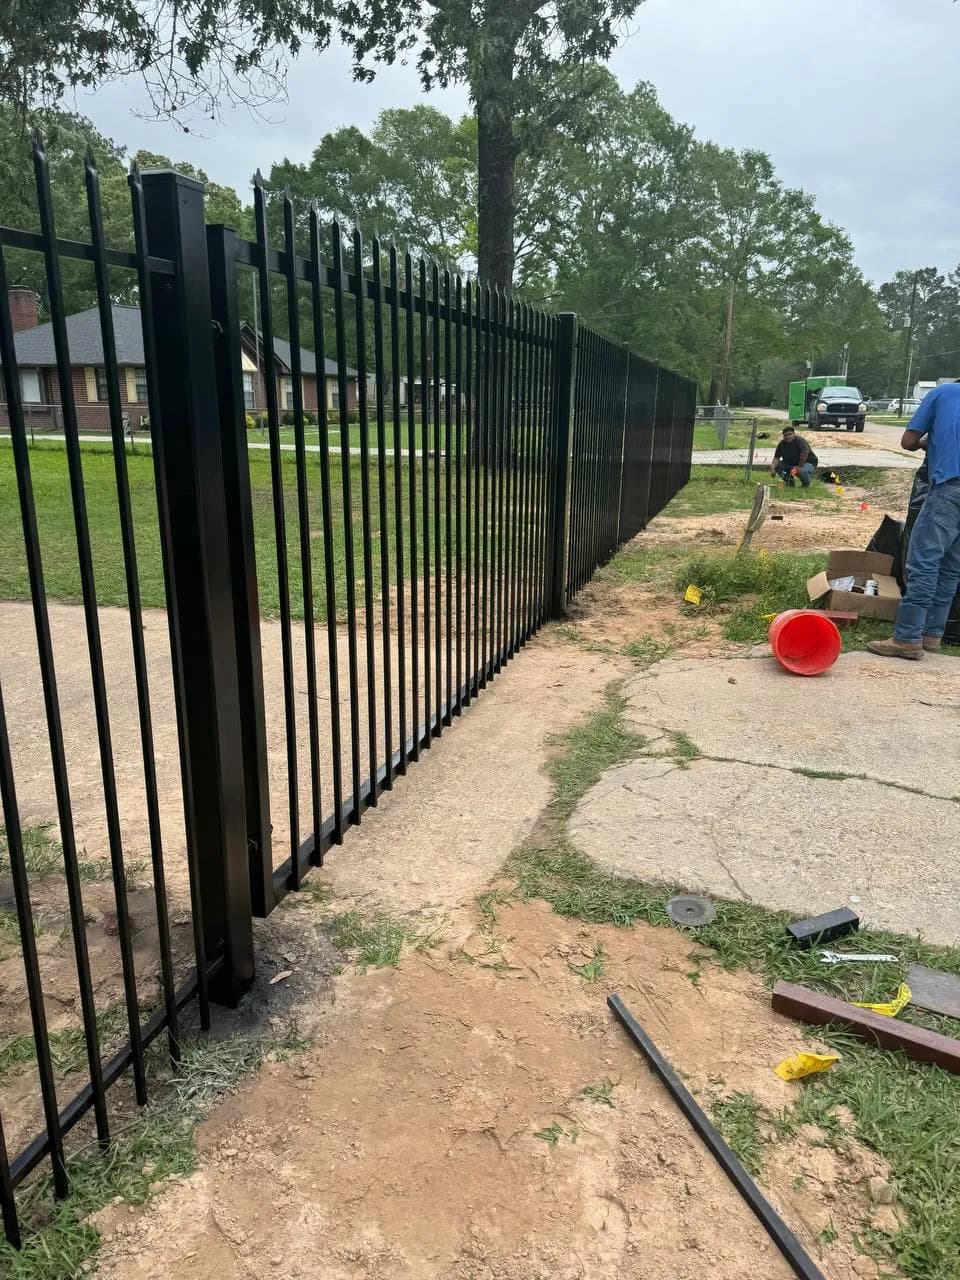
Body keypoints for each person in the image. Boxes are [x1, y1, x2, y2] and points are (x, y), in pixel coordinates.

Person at [869, 382, 960, 660]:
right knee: (951, 568)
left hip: (950, 487)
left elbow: (908, 441)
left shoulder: (942, 393)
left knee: (924, 562)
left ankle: (907, 637)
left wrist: (930, 439)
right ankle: (932, 636)